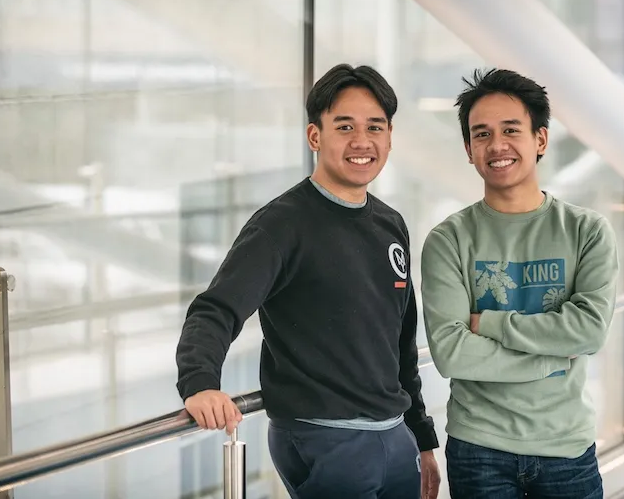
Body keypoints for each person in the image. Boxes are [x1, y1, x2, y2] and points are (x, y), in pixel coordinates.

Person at [175, 63, 440, 499]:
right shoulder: (281, 226)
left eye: (375, 127)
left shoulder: (390, 224)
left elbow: (400, 343)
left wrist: (421, 438)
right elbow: (216, 308)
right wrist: (200, 383)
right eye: (345, 126)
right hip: (324, 440)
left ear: (390, 136)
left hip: (395, 438)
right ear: (315, 136)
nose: (362, 141)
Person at [420, 68, 619, 499]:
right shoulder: (448, 240)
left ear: (540, 140)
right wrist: (551, 359)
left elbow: (588, 330)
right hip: (480, 449)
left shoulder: (586, 231)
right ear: (469, 150)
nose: (497, 145)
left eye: (511, 130)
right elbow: (452, 354)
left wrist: (488, 324)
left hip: (567, 448)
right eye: (481, 134)